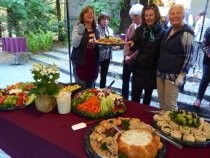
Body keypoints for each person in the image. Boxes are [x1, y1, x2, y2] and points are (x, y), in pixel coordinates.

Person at [157, 4, 194, 110]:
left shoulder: (186, 33)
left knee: (170, 105)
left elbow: (189, 56)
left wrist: (182, 75)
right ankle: (162, 125)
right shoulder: (169, 30)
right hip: (161, 73)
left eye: (178, 13)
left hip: (174, 75)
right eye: (172, 14)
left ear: (183, 15)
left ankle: (171, 126)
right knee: (162, 103)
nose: (175, 16)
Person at [126, 3, 164, 105]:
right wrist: (132, 44)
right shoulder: (140, 29)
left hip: (152, 71)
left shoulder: (162, 32)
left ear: (156, 15)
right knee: (134, 100)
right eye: (146, 15)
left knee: (147, 100)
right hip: (139, 69)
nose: (148, 18)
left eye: (151, 15)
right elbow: (134, 45)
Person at [71, 5, 100, 89]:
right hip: (81, 63)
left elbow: (97, 44)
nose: (90, 14)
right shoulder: (78, 27)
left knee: (91, 89)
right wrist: (80, 33)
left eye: (92, 13)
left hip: (93, 64)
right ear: (82, 15)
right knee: (81, 89)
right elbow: (75, 44)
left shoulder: (96, 28)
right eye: (87, 12)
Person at [121, 3, 143, 100]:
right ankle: (124, 99)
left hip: (136, 60)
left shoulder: (143, 29)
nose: (131, 18)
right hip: (127, 58)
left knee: (135, 83)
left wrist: (131, 57)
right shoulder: (131, 26)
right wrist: (126, 55)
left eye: (133, 16)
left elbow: (141, 47)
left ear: (138, 16)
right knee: (125, 79)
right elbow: (126, 41)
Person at [193, 26, 210, 107]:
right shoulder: (209, 29)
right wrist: (209, 54)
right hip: (208, 60)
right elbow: (204, 44)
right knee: (205, 79)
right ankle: (199, 98)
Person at [97, 12, 114, 88]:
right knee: (94, 75)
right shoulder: (96, 30)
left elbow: (112, 42)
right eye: (103, 19)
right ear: (99, 20)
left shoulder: (110, 30)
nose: (105, 21)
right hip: (97, 56)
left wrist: (114, 45)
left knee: (104, 76)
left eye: (107, 19)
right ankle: (92, 91)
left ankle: (102, 92)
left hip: (107, 56)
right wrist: (103, 43)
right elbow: (95, 43)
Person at [192, 10, 210, 76]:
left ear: (200, 14)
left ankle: (194, 66)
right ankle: (200, 68)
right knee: (202, 53)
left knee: (195, 53)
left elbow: (195, 32)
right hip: (204, 40)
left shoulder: (199, 21)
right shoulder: (208, 21)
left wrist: (192, 33)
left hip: (197, 39)